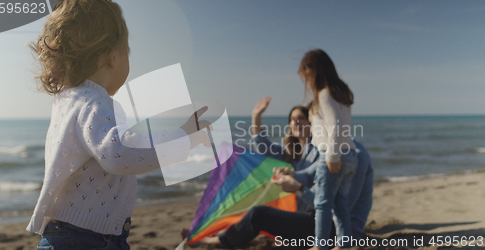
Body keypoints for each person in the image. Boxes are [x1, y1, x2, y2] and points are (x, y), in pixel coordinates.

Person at [27, 1, 211, 249]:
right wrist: (183, 139)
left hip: (70, 234)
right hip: (84, 240)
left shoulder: (67, 100)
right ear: (113, 57)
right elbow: (120, 154)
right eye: (127, 52)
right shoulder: (95, 103)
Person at [188, 97, 318, 248]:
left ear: (310, 121)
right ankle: (226, 236)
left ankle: (220, 241)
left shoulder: (318, 151)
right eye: (292, 119)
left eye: (300, 118)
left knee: (258, 213)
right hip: (298, 216)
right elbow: (262, 145)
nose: (295, 122)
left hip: (315, 222)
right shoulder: (290, 154)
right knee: (251, 206)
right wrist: (256, 116)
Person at [298, 49, 358, 249]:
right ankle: (343, 244)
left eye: (306, 77)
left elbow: (337, 126)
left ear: (313, 72)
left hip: (333, 155)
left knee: (322, 203)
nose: (306, 83)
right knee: (339, 204)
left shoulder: (324, 94)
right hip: (350, 154)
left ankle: (320, 246)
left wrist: (332, 157)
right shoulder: (339, 93)